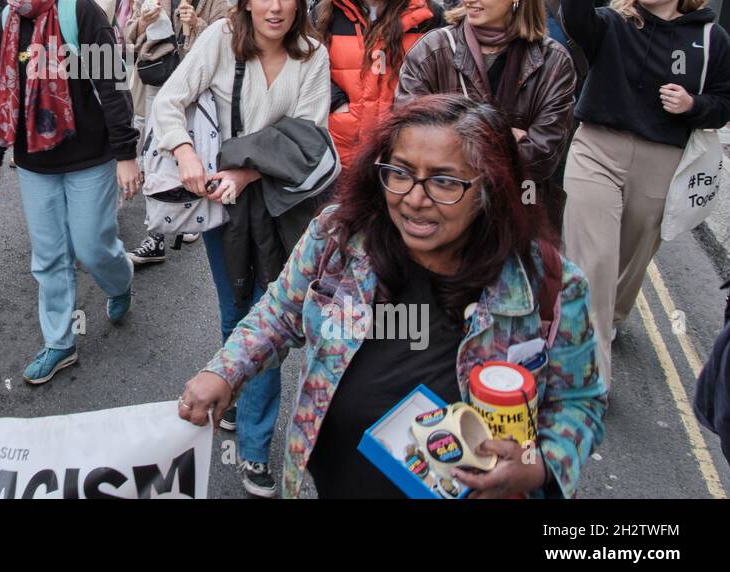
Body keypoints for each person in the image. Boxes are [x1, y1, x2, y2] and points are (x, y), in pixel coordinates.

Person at [178, 94, 607, 499]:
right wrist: (224, 372)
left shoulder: (548, 285)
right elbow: (280, 312)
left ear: (489, 188)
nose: (414, 200)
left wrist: (538, 466)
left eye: (443, 181)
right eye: (399, 174)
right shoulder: (339, 237)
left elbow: (579, 402)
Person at [154, 0, 330, 496]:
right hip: (219, 205)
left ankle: (253, 446)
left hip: (281, 206)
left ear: (299, 1)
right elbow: (169, 100)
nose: (275, 8)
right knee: (236, 312)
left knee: (269, 321)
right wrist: (185, 153)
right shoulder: (220, 40)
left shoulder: (313, 55)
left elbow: (307, 136)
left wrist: (247, 169)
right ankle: (232, 385)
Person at [561, 0, 730, 382]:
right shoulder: (611, 24)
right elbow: (573, 12)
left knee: (631, 259)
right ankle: (588, 375)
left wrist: (696, 106)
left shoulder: (712, 39)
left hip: (662, 161)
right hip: (597, 150)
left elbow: (724, 102)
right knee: (592, 259)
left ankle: (611, 317)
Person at [0, 0, 140, 384]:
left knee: (93, 246)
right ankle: (59, 342)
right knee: (49, 257)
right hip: (34, 160)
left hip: (90, 155)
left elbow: (111, 83)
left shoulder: (81, 11)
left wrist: (126, 153)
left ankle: (120, 279)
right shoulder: (10, 18)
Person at [397, 0, 577, 225]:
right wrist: (507, 137)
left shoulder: (553, 61)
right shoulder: (433, 49)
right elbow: (408, 132)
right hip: (441, 209)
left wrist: (454, 138)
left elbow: (544, 155)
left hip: (517, 213)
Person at [124, 0, 231, 264]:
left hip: (197, 92)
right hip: (157, 85)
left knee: (194, 155)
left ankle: (193, 215)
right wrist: (143, 22)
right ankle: (154, 236)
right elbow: (128, 38)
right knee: (155, 157)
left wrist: (198, 24)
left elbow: (229, 45)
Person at [316, 0, 444, 170]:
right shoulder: (328, 11)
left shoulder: (427, 15)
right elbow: (310, 64)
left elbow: (442, 72)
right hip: (343, 140)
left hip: (405, 139)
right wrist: (337, 103)